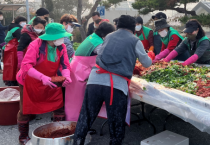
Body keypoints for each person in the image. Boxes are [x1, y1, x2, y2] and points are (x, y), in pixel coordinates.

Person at [73, 15, 152, 145]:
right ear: (133, 28)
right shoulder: (135, 40)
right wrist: (149, 55)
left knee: (86, 116)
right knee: (116, 122)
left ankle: (77, 141)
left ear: (117, 26)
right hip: (115, 85)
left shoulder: (109, 36)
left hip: (94, 81)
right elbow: (147, 63)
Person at [16, 23, 71, 145]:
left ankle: (58, 135)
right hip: (29, 80)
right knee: (25, 111)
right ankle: (23, 137)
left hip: (51, 80)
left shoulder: (61, 46)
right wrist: (42, 77)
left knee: (59, 107)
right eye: (61, 36)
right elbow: (26, 66)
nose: (63, 39)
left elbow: (65, 64)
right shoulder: (36, 45)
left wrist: (66, 76)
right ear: (52, 37)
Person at [65, 22, 115, 122]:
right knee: (77, 99)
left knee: (74, 98)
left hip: (77, 68)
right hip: (79, 71)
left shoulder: (93, 37)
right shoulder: (98, 43)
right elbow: (105, 57)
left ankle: (76, 123)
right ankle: (75, 125)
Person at [3, 16, 27, 86]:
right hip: (14, 49)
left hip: (9, 48)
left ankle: (10, 81)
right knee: (14, 66)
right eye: (24, 22)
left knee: (10, 67)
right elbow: (21, 40)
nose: (24, 23)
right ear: (20, 22)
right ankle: (15, 81)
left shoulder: (12, 28)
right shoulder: (17, 29)